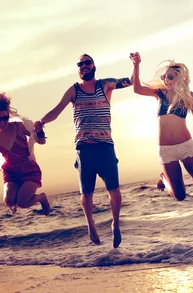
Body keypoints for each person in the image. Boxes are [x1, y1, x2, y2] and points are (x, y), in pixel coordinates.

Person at [34, 54, 132, 248]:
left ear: (94, 65)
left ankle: (115, 224)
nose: (84, 66)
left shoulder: (105, 85)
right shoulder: (74, 90)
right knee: (86, 193)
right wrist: (42, 121)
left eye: (87, 62)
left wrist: (136, 65)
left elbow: (130, 82)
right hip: (84, 148)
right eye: (80, 64)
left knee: (114, 190)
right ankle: (90, 224)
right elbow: (57, 109)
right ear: (78, 69)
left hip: (105, 146)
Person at [130, 52, 193, 201]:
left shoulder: (189, 96)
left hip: (187, 146)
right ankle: (164, 178)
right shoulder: (159, 94)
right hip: (166, 151)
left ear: (179, 78)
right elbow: (137, 88)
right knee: (179, 196)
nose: (166, 80)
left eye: (170, 77)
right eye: (164, 77)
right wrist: (136, 65)